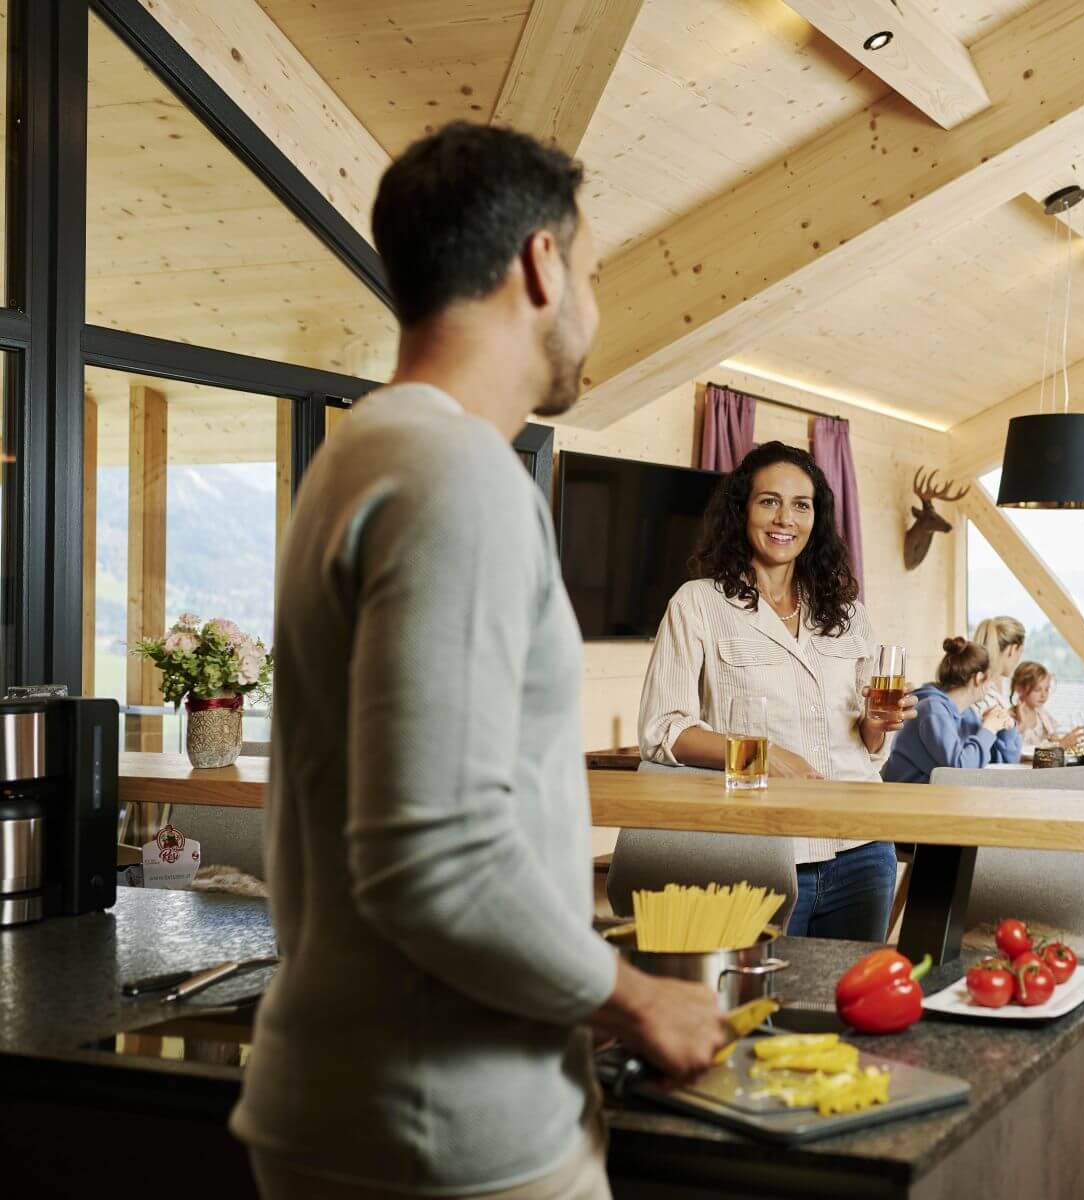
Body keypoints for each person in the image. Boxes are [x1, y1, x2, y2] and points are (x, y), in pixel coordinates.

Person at [231, 125, 729, 1200]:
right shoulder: (459, 476)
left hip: (356, 1098)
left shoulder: (360, 453)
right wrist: (637, 997)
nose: (592, 308)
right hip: (446, 1126)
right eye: (592, 273)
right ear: (541, 264)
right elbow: (434, 859)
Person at [639, 441, 916, 941]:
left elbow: (868, 749)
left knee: (849, 1002)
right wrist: (758, 756)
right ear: (742, 510)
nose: (784, 518)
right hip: (762, 848)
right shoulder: (697, 605)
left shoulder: (848, 613)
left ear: (816, 519)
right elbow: (663, 731)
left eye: (800, 505)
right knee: (754, 1002)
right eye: (769, 501)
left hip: (863, 844)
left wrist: (876, 727)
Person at [882, 638, 1021, 782]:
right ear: (979, 678)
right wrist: (988, 729)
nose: (990, 686)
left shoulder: (968, 714)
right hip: (905, 797)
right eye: (989, 680)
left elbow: (1001, 763)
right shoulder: (932, 710)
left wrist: (1006, 728)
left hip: (940, 797)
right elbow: (960, 771)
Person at [1008, 661, 1084, 754]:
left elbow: (1056, 741)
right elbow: (1012, 750)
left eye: (1046, 689)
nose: (1043, 695)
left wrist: (1068, 740)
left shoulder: (1043, 717)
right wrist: (1022, 724)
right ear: (1019, 688)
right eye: (1037, 690)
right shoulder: (1010, 717)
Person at [970, 615, 1026, 714]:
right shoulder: (988, 697)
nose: (1018, 660)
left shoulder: (977, 687)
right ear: (1012, 650)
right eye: (1020, 652)